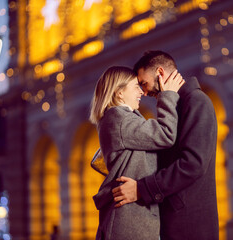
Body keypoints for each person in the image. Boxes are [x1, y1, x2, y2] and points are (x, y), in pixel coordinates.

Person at [112, 51, 219, 240]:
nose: (144, 92)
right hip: (175, 218)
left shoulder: (196, 101)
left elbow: (193, 164)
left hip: (189, 225)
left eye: (144, 84)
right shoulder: (174, 106)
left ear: (160, 73)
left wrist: (141, 189)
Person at [89, 66, 185, 240]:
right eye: (135, 87)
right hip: (129, 219)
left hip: (131, 216)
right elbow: (165, 134)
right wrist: (168, 95)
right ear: (119, 93)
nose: (141, 92)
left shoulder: (118, 118)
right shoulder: (119, 118)